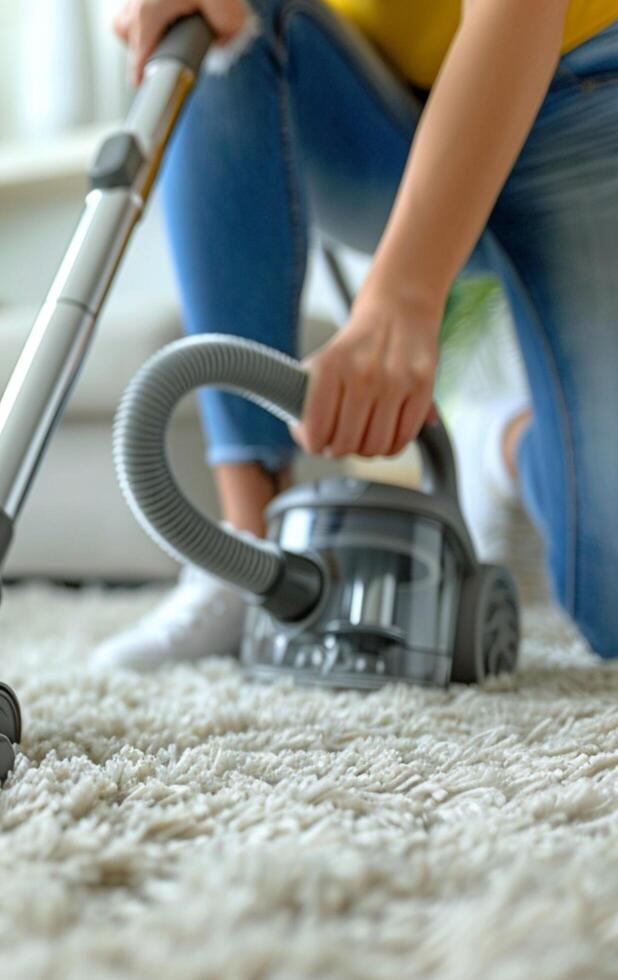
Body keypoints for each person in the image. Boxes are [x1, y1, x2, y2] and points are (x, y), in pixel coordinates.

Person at [92, 0, 618, 670]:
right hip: (370, 101)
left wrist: (404, 296)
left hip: (586, 95)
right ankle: (249, 556)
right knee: (216, 16)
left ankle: (507, 444)